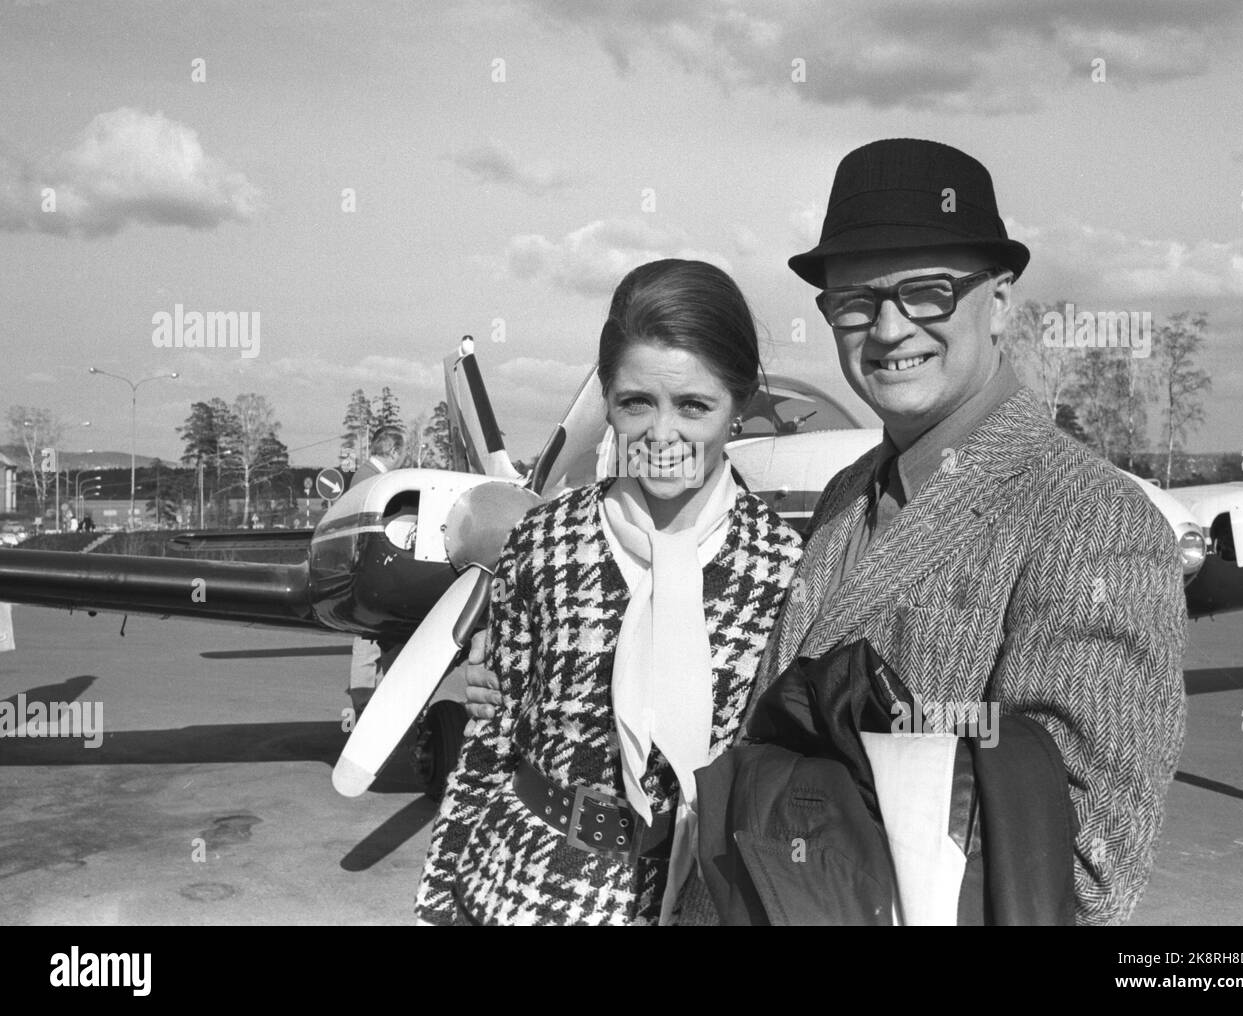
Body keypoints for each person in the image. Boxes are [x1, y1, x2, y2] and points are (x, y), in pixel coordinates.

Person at [468, 139, 1188, 926]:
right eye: (855, 300)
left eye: (928, 292)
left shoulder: (1096, 521)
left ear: (1002, 298)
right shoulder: (851, 494)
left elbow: (1077, 872)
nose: (887, 328)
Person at [413, 259, 802, 925]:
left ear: (738, 406)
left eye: (694, 405)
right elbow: (491, 739)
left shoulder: (786, 569)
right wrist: (440, 899)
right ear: (609, 403)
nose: (662, 434)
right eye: (635, 402)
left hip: (703, 894)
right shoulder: (542, 539)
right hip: (531, 883)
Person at [347, 430, 406, 716]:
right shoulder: (374, 481)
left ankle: (372, 704)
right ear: (394, 452)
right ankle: (365, 705)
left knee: (372, 640)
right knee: (368, 640)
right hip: (371, 577)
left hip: (367, 574)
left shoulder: (364, 474)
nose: (403, 459)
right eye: (403, 453)